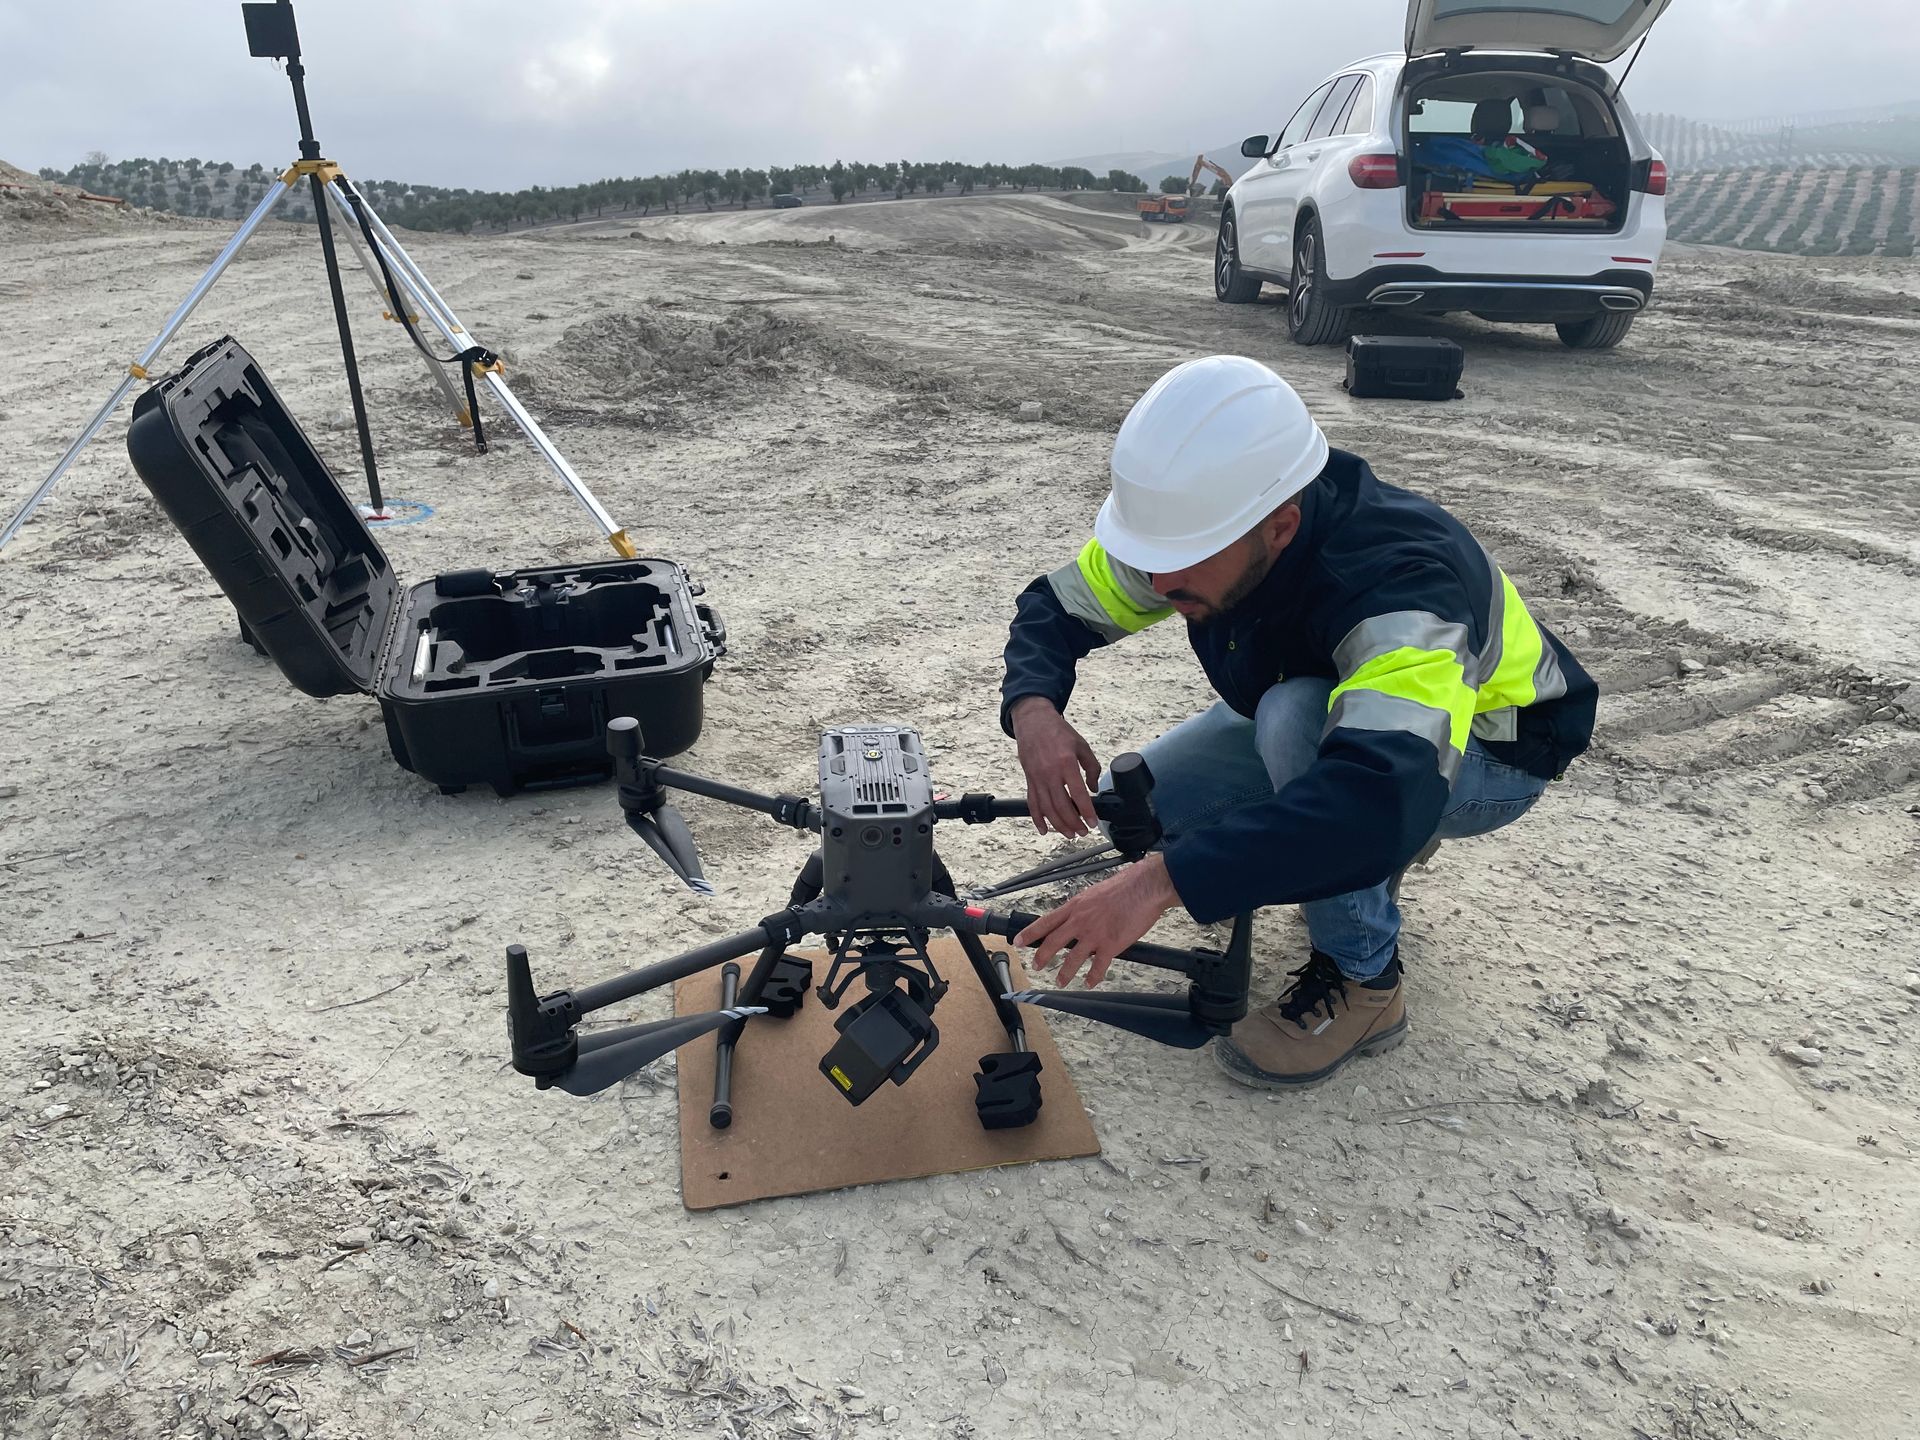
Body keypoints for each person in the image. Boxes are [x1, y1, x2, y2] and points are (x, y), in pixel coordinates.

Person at [999, 356, 1597, 1088]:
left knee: (1295, 748)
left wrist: (1159, 886)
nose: (1155, 586)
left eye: (1177, 564)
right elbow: (1057, 609)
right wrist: (1035, 711)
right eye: (1148, 558)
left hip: (1489, 754)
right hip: (1345, 720)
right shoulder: (1205, 529)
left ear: (1280, 528)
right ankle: (1337, 850)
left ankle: (1366, 982)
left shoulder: (1402, 588)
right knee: (1159, 819)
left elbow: (1376, 796)